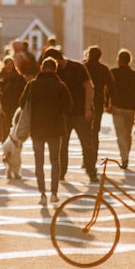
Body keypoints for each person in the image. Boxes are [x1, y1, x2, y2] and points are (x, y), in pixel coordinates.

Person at [20, 57, 72, 205]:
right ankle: (54, 193)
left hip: (37, 129)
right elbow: (69, 106)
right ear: (55, 69)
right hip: (55, 129)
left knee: (39, 162)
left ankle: (42, 194)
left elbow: (21, 103)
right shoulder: (60, 86)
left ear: (41, 68)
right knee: (55, 161)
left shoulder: (32, 85)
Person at [43, 47, 97, 181]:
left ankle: (92, 172)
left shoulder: (77, 68)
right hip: (63, 115)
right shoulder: (53, 72)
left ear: (58, 59)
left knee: (87, 144)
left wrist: (87, 109)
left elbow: (89, 87)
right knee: (62, 145)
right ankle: (61, 173)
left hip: (80, 113)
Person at [110, 49, 135, 169]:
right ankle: (126, 156)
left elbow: (108, 90)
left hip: (117, 108)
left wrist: (108, 104)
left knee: (120, 134)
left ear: (118, 60)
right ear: (130, 61)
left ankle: (124, 157)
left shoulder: (113, 73)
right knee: (127, 134)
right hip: (130, 109)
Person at [84, 45, 115, 155]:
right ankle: (94, 155)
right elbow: (111, 86)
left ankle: (86, 157)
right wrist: (108, 102)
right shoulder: (103, 69)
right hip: (98, 101)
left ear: (89, 55)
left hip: (84, 102)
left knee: (85, 130)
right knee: (95, 130)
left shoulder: (83, 67)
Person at [0, 56, 26, 133]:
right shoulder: (0, 77)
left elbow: (23, 90)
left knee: (14, 124)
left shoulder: (19, 78)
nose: (9, 66)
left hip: (15, 103)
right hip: (4, 103)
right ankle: (5, 141)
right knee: (5, 124)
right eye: (7, 64)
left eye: (10, 64)